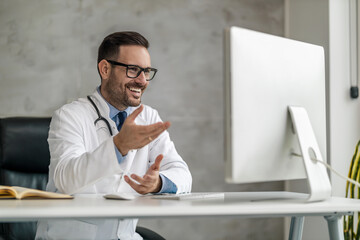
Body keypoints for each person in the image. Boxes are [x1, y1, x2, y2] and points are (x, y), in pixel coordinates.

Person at [35, 31, 192, 240]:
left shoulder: (148, 116)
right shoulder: (70, 116)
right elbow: (66, 179)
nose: (142, 80)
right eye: (133, 70)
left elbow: (182, 174)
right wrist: (118, 146)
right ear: (105, 69)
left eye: (146, 71)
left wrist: (158, 183)